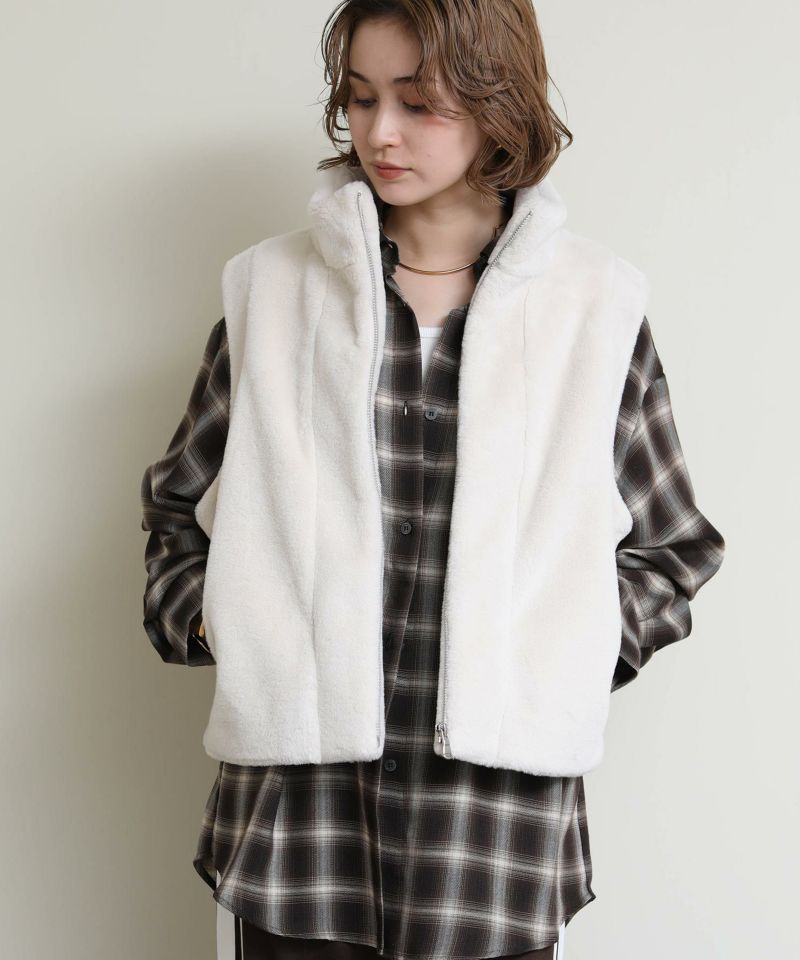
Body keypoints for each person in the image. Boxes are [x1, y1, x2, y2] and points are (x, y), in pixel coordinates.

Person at [139, 2, 726, 958]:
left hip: (493, 840)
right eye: (361, 98)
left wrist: (564, 656)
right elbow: (174, 514)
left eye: (419, 103)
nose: (380, 133)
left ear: (498, 104)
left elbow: (673, 549)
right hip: (298, 833)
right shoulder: (271, 294)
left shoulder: (593, 311)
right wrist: (223, 628)